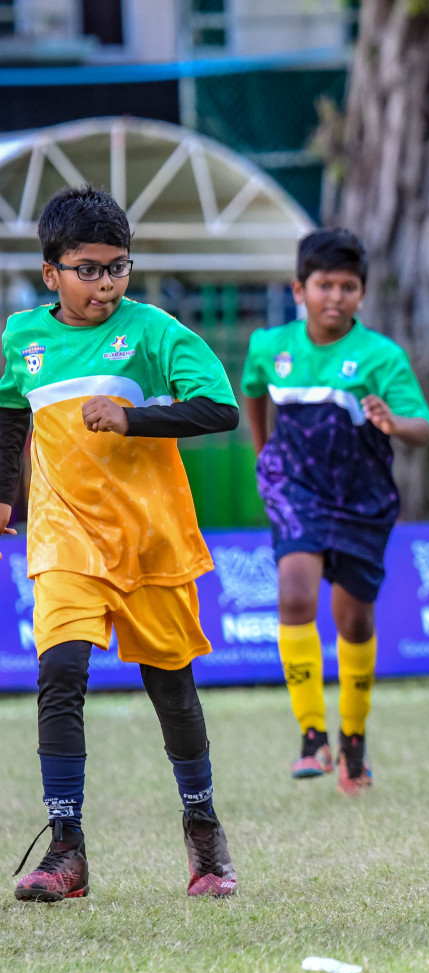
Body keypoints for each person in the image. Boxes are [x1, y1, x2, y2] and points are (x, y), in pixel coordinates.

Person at [0, 185, 241, 900]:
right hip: (62, 536)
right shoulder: (20, 338)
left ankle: (203, 828)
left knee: (171, 684)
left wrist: (137, 417)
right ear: (52, 273)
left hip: (150, 541)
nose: (105, 283)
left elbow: (220, 409)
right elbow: (11, 415)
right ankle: (65, 849)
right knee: (60, 674)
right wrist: (5, 497)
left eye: (117, 267)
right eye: (88, 268)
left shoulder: (155, 331)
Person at [241, 228, 429, 795]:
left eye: (348, 287)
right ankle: (311, 735)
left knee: (353, 620)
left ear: (361, 294)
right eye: (324, 285)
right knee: (296, 594)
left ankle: (353, 738)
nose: (336, 297)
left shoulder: (381, 357)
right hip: (296, 489)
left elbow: (423, 428)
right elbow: (253, 389)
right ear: (299, 289)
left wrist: (394, 423)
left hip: (362, 501)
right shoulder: (269, 347)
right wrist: (263, 453)